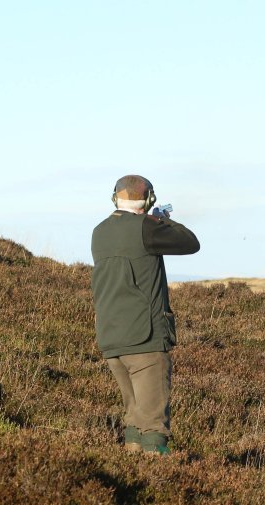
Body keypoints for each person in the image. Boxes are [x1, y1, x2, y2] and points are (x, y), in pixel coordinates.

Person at [91, 175, 200, 455]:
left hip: (112, 340)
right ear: (149, 199)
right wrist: (161, 220)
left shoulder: (99, 231)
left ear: (115, 198)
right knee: (153, 426)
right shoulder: (148, 228)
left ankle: (133, 469)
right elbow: (190, 243)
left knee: (135, 418)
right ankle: (158, 473)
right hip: (145, 340)